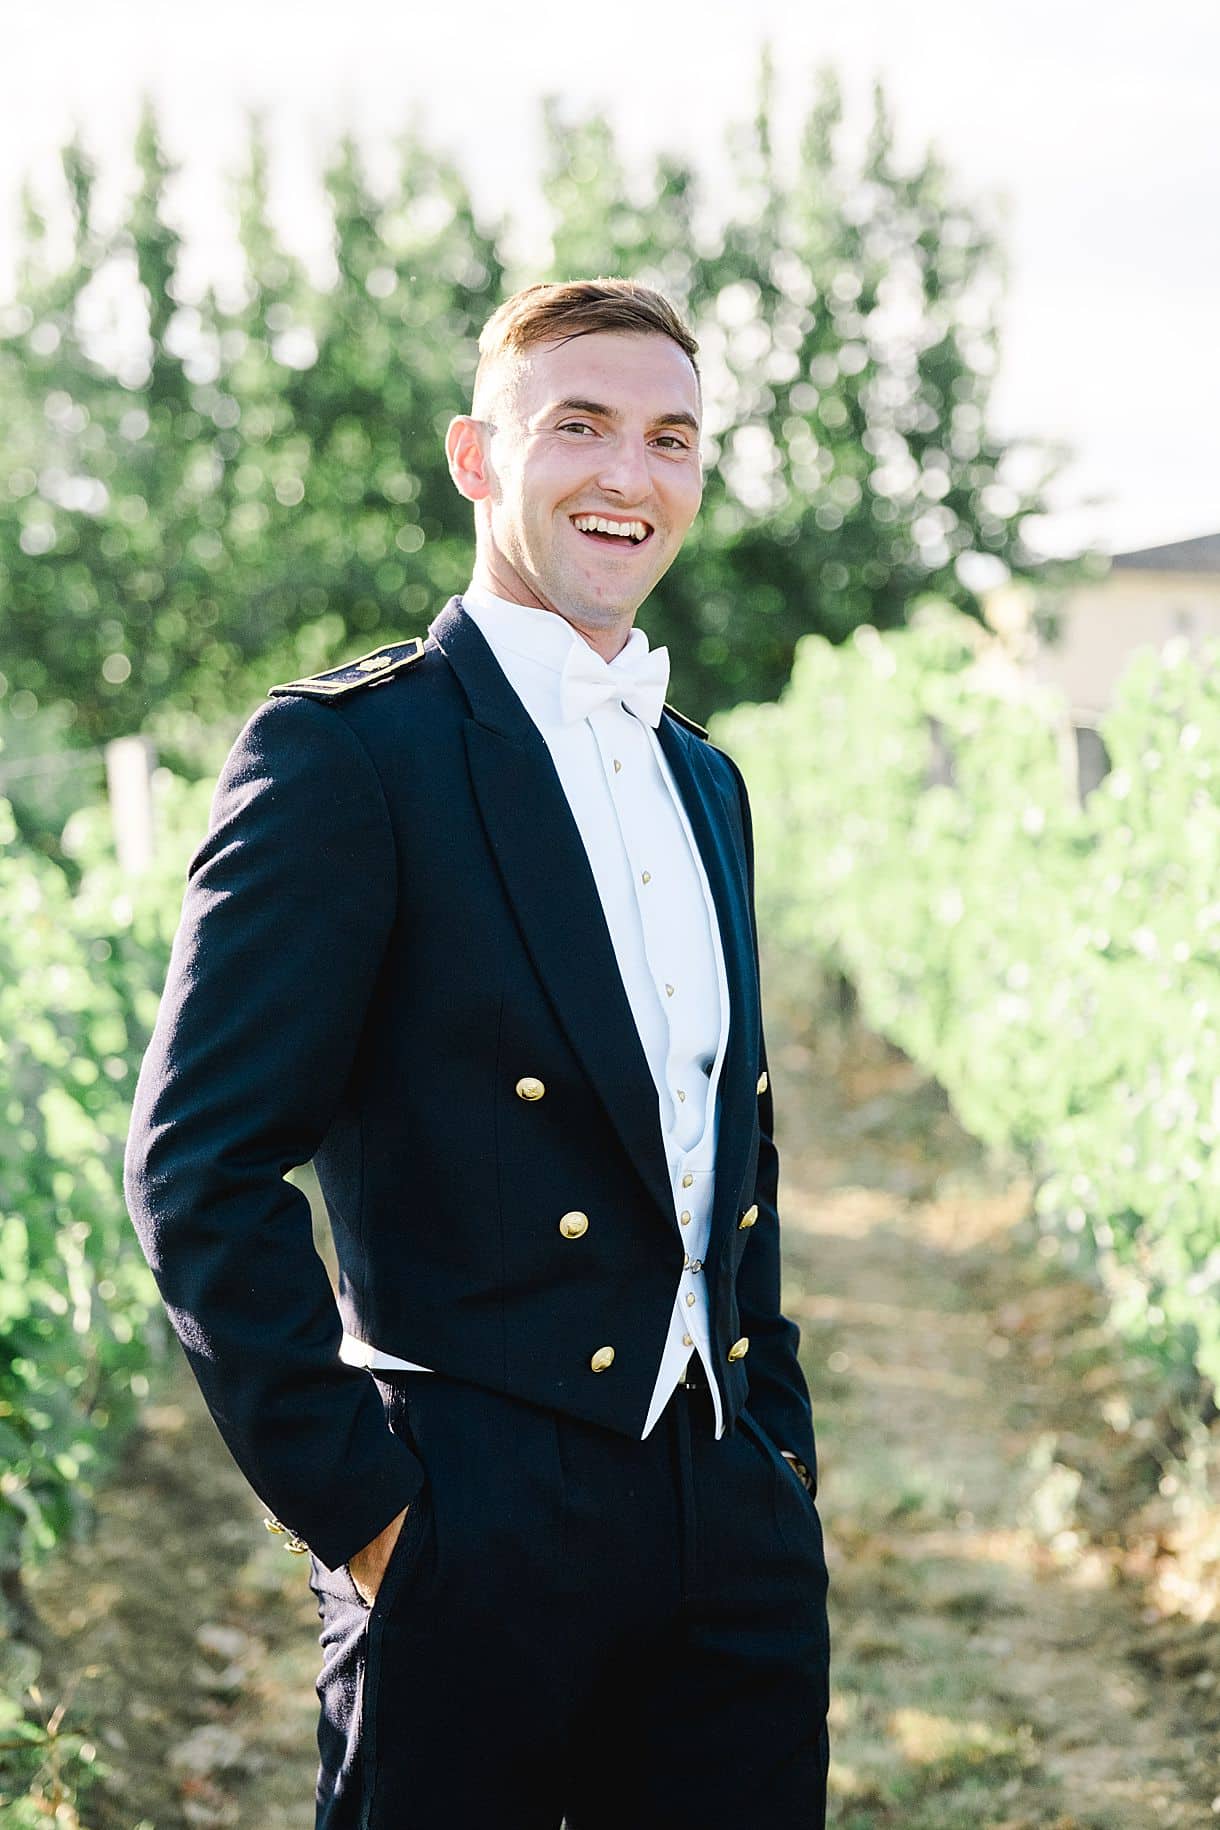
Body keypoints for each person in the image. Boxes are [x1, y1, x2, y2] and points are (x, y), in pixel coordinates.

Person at [124, 277, 831, 1828]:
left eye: (671, 438)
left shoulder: (703, 777)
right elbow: (197, 1166)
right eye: (576, 426)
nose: (627, 477)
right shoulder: (351, 754)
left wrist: (777, 1453)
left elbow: (732, 1144)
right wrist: (367, 1517)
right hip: (469, 1518)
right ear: (475, 456)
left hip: (727, 1513)